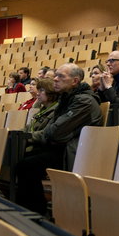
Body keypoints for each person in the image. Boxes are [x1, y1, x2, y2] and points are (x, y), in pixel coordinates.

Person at [15, 63, 103, 214]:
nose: (55, 79)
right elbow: (53, 129)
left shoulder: (83, 101)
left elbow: (55, 131)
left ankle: (34, 214)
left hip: (74, 152)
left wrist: (44, 136)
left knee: (26, 166)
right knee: (20, 158)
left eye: (61, 76)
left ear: (75, 81)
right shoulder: (67, 98)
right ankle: (27, 211)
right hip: (61, 146)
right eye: (55, 75)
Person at [23, 78, 59, 152]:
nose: (37, 93)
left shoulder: (56, 111)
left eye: (41, 90)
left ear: (51, 92)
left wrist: (24, 137)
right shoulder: (42, 110)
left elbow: (46, 134)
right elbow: (28, 127)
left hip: (43, 149)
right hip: (32, 145)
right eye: (38, 90)